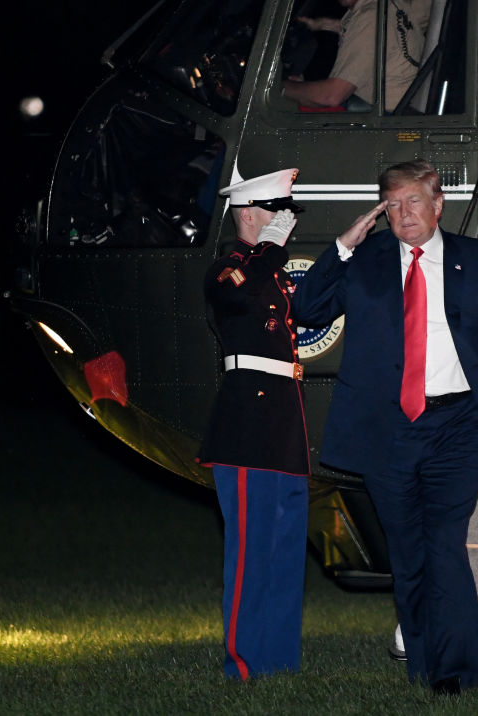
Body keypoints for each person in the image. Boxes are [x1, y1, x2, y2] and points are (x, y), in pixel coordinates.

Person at [291, 159, 478, 694]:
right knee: (407, 551)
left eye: (413, 202)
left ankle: (457, 670)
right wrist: (344, 245)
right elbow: (307, 310)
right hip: (388, 429)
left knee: (444, 542)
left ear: (437, 204)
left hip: (459, 425)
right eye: (392, 206)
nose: (404, 215)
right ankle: (425, 664)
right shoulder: (366, 261)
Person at [196, 168, 310, 680]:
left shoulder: (271, 268)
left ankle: (280, 662)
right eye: (274, 212)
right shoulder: (229, 266)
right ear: (248, 214)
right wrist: (268, 249)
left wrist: (347, 251)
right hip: (246, 422)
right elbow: (235, 295)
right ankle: (243, 665)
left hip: (284, 417)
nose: (284, 223)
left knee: (286, 550)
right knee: (250, 552)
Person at [282, 0, 430, 112]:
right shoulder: (391, 5)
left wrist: (280, 88)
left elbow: (331, 96)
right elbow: (355, 28)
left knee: (285, 111)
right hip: (397, 110)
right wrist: (319, 24)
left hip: (379, 117)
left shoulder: (371, 17)